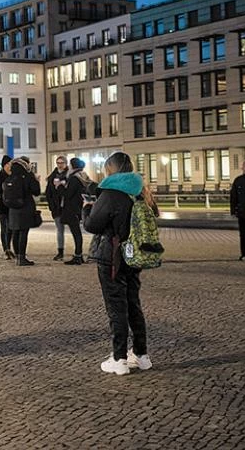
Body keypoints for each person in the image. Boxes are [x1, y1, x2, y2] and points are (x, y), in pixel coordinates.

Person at [83, 151, 156, 376]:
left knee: (116, 307)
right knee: (133, 303)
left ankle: (119, 358)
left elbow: (93, 225)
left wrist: (87, 209)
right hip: (134, 256)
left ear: (110, 170)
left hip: (112, 256)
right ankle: (142, 355)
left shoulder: (112, 192)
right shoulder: (140, 190)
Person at [6, 157, 41, 266]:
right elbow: (36, 192)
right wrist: (36, 181)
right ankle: (22, 258)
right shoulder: (27, 176)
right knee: (23, 233)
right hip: (25, 207)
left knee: (15, 232)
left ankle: (17, 257)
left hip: (13, 208)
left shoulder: (10, 177)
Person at [60, 157, 91, 265]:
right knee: (77, 232)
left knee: (76, 232)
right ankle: (78, 255)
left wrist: (60, 187)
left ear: (72, 166)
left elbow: (68, 194)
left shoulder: (74, 178)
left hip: (72, 208)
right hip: (78, 207)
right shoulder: (82, 176)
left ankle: (78, 255)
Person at [45, 155, 69, 261]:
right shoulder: (52, 176)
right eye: (58, 162)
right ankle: (60, 251)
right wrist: (51, 205)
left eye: (62, 162)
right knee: (60, 229)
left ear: (65, 164)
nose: (60, 164)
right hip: (56, 207)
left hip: (68, 207)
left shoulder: (69, 176)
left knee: (75, 229)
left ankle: (79, 252)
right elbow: (48, 192)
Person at [0, 155, 15, 260]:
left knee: (11, 228)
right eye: (9, 164)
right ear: (4, 165)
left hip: (12, 206)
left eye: (11, 164)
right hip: (2, 205)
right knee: (4, 228)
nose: (10, 166)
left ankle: (9, 248)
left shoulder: (14, 175)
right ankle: (6, 249)